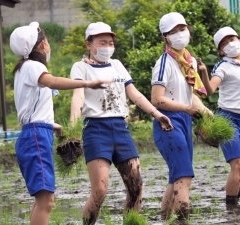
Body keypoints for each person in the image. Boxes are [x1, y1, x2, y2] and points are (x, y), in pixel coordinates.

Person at [69, 22, 174, 225]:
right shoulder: (80, 67)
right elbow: (78, 97)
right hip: (96, 130)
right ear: (89, 44)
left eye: (110, 42)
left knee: (136, 186)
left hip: (120, 129)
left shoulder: (117, 65)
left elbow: (134, 94)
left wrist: (156, 113)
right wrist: (73, 128)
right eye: (102, 42)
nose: (107, 46)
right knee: (100, 190)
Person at [10, 22, 108, 225]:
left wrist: (52, 125)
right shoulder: (33, 67)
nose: (48, 45)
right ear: (41, 45)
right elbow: (52, 82)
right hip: (36, 137)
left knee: (41, 200)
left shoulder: (23, 69)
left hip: (36, 133)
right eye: (46, 41)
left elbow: (30, 109)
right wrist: (88, 82)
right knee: (46, 200)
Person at [151, 12, 211, 220]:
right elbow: (157, 100)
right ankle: (183, 221)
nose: (179, 34)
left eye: (182, 29)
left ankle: (164, 219)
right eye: (173, 32)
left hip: (184, 121)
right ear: (164, 37)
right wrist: (186, 109)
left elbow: (189, 96)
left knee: (176, 177)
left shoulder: (189, 61)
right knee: (184, 176)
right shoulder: (164, 64)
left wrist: (205, 111)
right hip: (167, 121)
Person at [198, 26, 240, 207]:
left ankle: (235, 202)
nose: (230, 44)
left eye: (232, 39)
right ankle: (231, 210)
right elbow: (210, 90)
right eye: (225, 43)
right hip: (226, 119)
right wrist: (204, 72)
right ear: (221, 51)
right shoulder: (223, 66)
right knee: (238, 165)